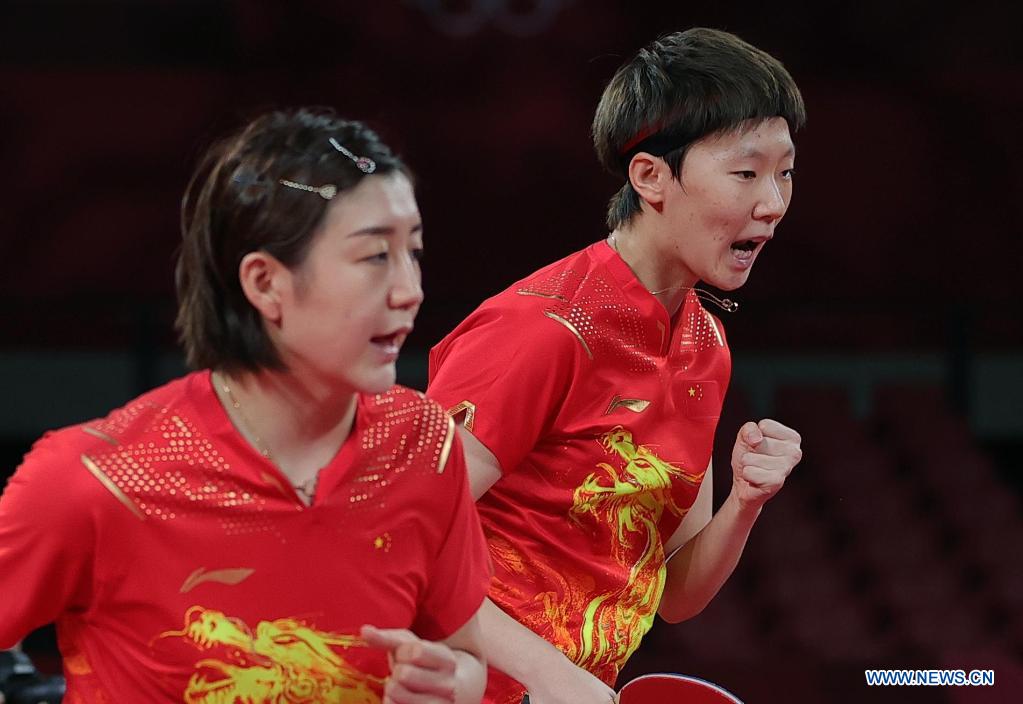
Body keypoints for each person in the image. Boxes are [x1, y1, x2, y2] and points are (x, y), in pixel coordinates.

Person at [0, 107, 491, 704]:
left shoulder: (424, 442)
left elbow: (465, 654)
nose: (410, 290)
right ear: (265, 283)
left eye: (413, 250)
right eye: (374, 257)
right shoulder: (95, 480)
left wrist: (450, 685)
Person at [427, 28, 806, 704]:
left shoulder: (704, 345)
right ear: (650, 177)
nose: (772, 204)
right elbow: (395, 539)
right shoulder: (541, 331)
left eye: (785, 173)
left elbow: (677, 593)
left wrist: (746, 503)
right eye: (746, 174)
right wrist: (551, 676)